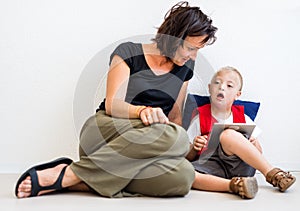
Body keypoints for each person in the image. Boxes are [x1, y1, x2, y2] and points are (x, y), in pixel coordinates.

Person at [15, 1, 218, 198]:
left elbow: (174, 118)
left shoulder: (186, 68)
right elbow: (113, 104)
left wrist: (179, 151)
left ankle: (81, 180)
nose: (192, 56)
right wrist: (142, 112)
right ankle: (70, 174)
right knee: (176, 137)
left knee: (183, 176)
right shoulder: (128, 51)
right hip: (107, 131)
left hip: (149, 142)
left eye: (197, 51)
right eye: (190, 48)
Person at [185, 66, 296, 199]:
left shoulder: (244, 118)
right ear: (209, 88)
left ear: (237, 95)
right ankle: (236, 186)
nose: (222, 88)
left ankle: (272, 173)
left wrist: (254, 144)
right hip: (212, 167)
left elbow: (258, 153)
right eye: (217, 83)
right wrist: (194, 148)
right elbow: (188, 157)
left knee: (227, 135)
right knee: (185, 173)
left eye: (229, 85)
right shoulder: (199, 118)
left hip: (240, 165)